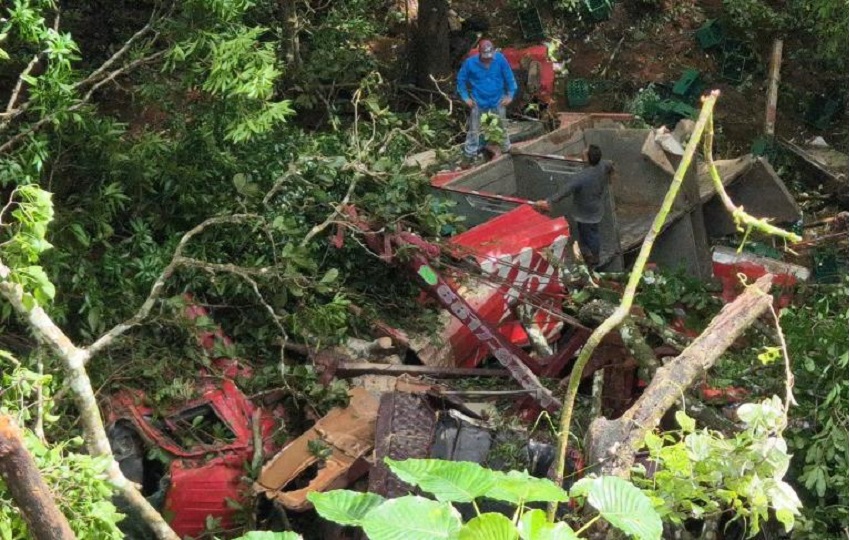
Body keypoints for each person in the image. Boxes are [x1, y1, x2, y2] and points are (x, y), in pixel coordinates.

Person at [533, 145, 614, 267]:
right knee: (589, 232)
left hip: (585, 212)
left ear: (587, 159)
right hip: (596, 208)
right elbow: (611, 164)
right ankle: (587, 253)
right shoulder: (602, 165)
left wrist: (548, 201)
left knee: (590, 234)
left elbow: (565, 191)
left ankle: (594, 257)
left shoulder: (581, 177)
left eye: (584, 154)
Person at [456, 39, 518, 160]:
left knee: (501, 124)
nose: (488, 59)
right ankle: (470, 153)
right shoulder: (470, 63)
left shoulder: (500, 59)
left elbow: (509, 77)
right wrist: (466, 98)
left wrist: (510, 95)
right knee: (474, 127)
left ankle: (506, 147)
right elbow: (461, 81)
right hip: (478, 101)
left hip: (497, 99)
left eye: (490, 56)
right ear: (479, 53)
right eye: (485, 57)